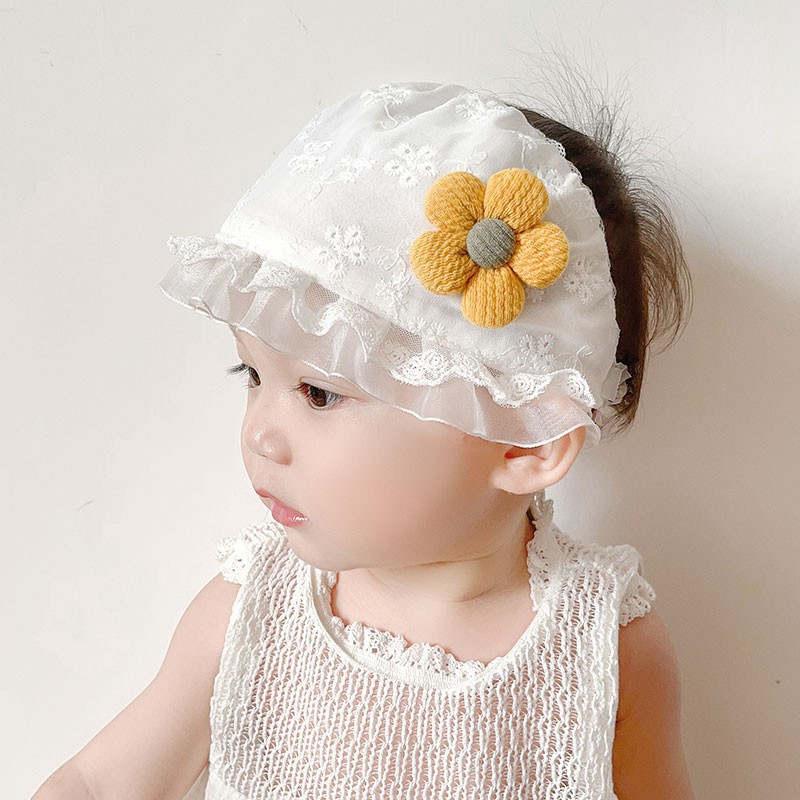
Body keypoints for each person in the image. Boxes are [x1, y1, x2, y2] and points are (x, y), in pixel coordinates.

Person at [33, 80, 695, 799]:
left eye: (319, 393)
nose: (260, 435)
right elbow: (99, 783)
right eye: (251, 374)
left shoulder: (603, 647)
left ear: (525, 441)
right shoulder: (250, 613)